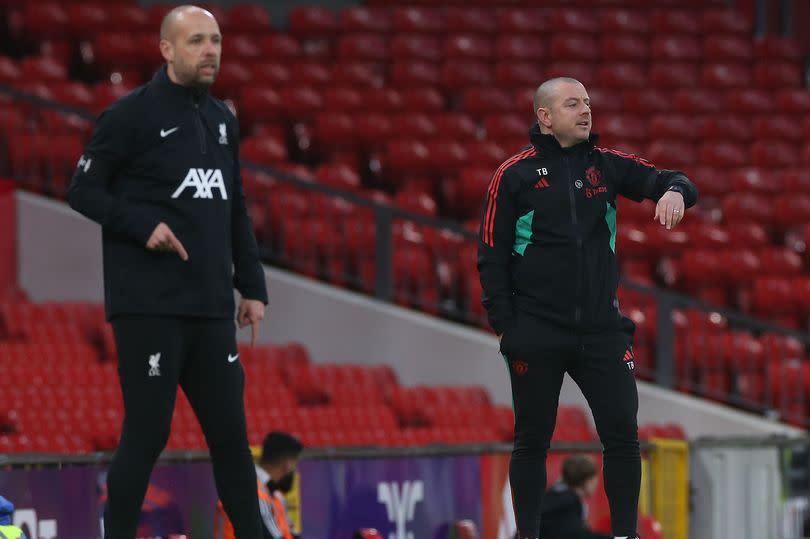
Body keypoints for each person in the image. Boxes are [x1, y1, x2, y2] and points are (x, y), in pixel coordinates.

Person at [67, 5, 269, 539]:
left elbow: (235, 207)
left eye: (217, 41)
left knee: (230, 434)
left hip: (209, 308)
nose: (211, 52)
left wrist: (251, 286)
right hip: (149, 307)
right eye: (198, 41)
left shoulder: (223, 121)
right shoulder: (128, 115)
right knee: (148, 433)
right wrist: (141, 225)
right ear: (167, 49)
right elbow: (82, 190)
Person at [477, 77, 697, 539]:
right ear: (545, 116)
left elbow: (671, 179)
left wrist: (675, 193)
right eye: (573, 104)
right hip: (536, 330)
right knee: (532, 440)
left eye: (588, 103)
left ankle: (624, 535)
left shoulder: (608, 166)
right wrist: (506, 328)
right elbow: (491, 256)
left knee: (623, 436)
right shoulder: (513, 175)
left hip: (601, 331)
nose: (585, 111)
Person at [214, 432, 303, 539]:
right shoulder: (254, 491)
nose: (294, 469)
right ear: (287, 463)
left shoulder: (275, 495)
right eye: (294, 463)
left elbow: (290, 532)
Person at [539, 455, 612, 539]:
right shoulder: (569, 503)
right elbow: (577, 535)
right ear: (587, 481)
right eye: (594, 479)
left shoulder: (552, 495)